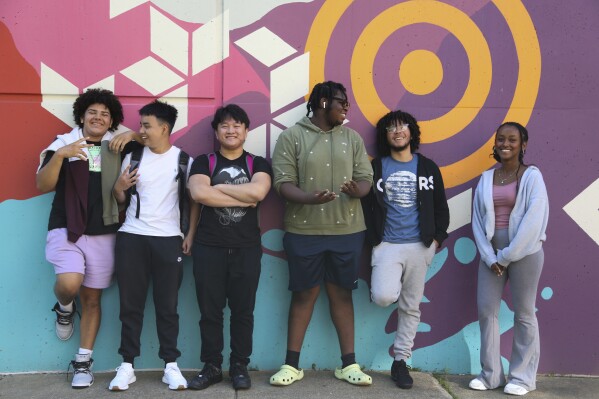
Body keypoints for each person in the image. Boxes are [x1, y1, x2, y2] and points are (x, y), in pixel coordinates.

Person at [270, 81, 373, 386]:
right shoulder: (291, 137)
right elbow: (282, 182)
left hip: (347, 231)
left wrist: (359, 190)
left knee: (341, 293)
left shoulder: (352, 138)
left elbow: (365, 178)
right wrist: (307, 198)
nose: (346, 109)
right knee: (304, 294)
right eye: (343, 103)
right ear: (324, 102)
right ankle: (291, 365)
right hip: (303, 231)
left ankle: (349, 364)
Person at [36, 88, 138, 389]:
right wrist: (61, 157)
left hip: (104, 230)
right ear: (81, 115)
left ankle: (83, 361)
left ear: (111, 122)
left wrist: (131, 134)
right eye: (92, 112)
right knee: (70, 283)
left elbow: (151, 137)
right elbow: (42, 184)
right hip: (66, 228)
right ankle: (64, 306)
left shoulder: (115, 144)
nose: (98, 117)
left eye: (105, 114)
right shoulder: (63, 144)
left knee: (93, 298)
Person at [109, 100, 200, 391]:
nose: (141, 131)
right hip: (132, 237)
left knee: (167, 306)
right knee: (130, 305)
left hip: (169, 240)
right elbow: (120, 198)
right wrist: (119, 188)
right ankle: (127, 366)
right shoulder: (133, 157)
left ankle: (170, 365)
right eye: (141, 125)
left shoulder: (184, 160)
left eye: (147, 126)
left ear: (165, 128)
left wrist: (190, 234)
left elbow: (194, 202)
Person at [361, 110, 449, 389]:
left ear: (412, 132)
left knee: (411, 307)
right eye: (391, 128)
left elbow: (440, 207)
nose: (397, 131)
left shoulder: (427, 168)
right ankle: (386, 283)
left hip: (419, 245)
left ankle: (401, 362)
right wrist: (373, 238)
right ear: (385, 136)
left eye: (402, 126)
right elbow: (365, 205)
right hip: (387, 244)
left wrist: (436, 240)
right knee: (384, 296)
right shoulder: (376, 167)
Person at [186, 104, 272, 391]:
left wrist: (216, 190)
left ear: (246, 131)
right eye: (225, 125)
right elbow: (198, 192)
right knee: (210, 312)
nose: (231, 130)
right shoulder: (203, 161)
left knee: (243, 311)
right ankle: (211, 366)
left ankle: (239, 366)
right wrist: (242, 197)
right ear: (216, 131)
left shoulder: (258, 163)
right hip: (208, 247)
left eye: (237, 125)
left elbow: (258, 192)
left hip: (246, 248)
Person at [469, 122, 548, 396]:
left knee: (524, 312)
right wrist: (490, 256)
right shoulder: (486, 178)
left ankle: (522, 378)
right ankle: (490, 375)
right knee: (485, 310)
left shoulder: (532, 176)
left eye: (512, 139)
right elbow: (478, 222)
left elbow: (534, 221)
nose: (505, 143)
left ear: (523, 145)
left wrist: (505, 256)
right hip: (491, 256)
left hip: (525, 252)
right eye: (501, 139)